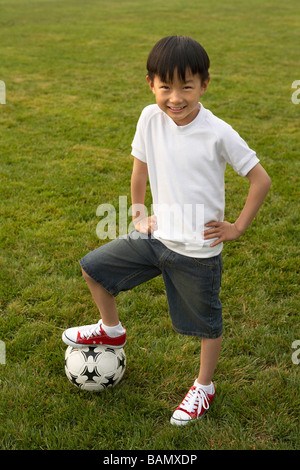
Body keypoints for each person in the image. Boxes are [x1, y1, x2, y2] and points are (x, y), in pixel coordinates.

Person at [62, 36, 271, 425]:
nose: (175, 98)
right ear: (150, 84)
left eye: (186, 87)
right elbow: (139, 166)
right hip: (155, 237)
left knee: (206, 326)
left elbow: (261, 179)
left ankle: (204, 387)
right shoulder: (149, 118)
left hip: (197, 250)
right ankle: (112, 330)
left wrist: (237, 227)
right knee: (93, 268)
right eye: (165, 87)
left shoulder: (218, 132)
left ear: (204, 85)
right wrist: (139, 213)